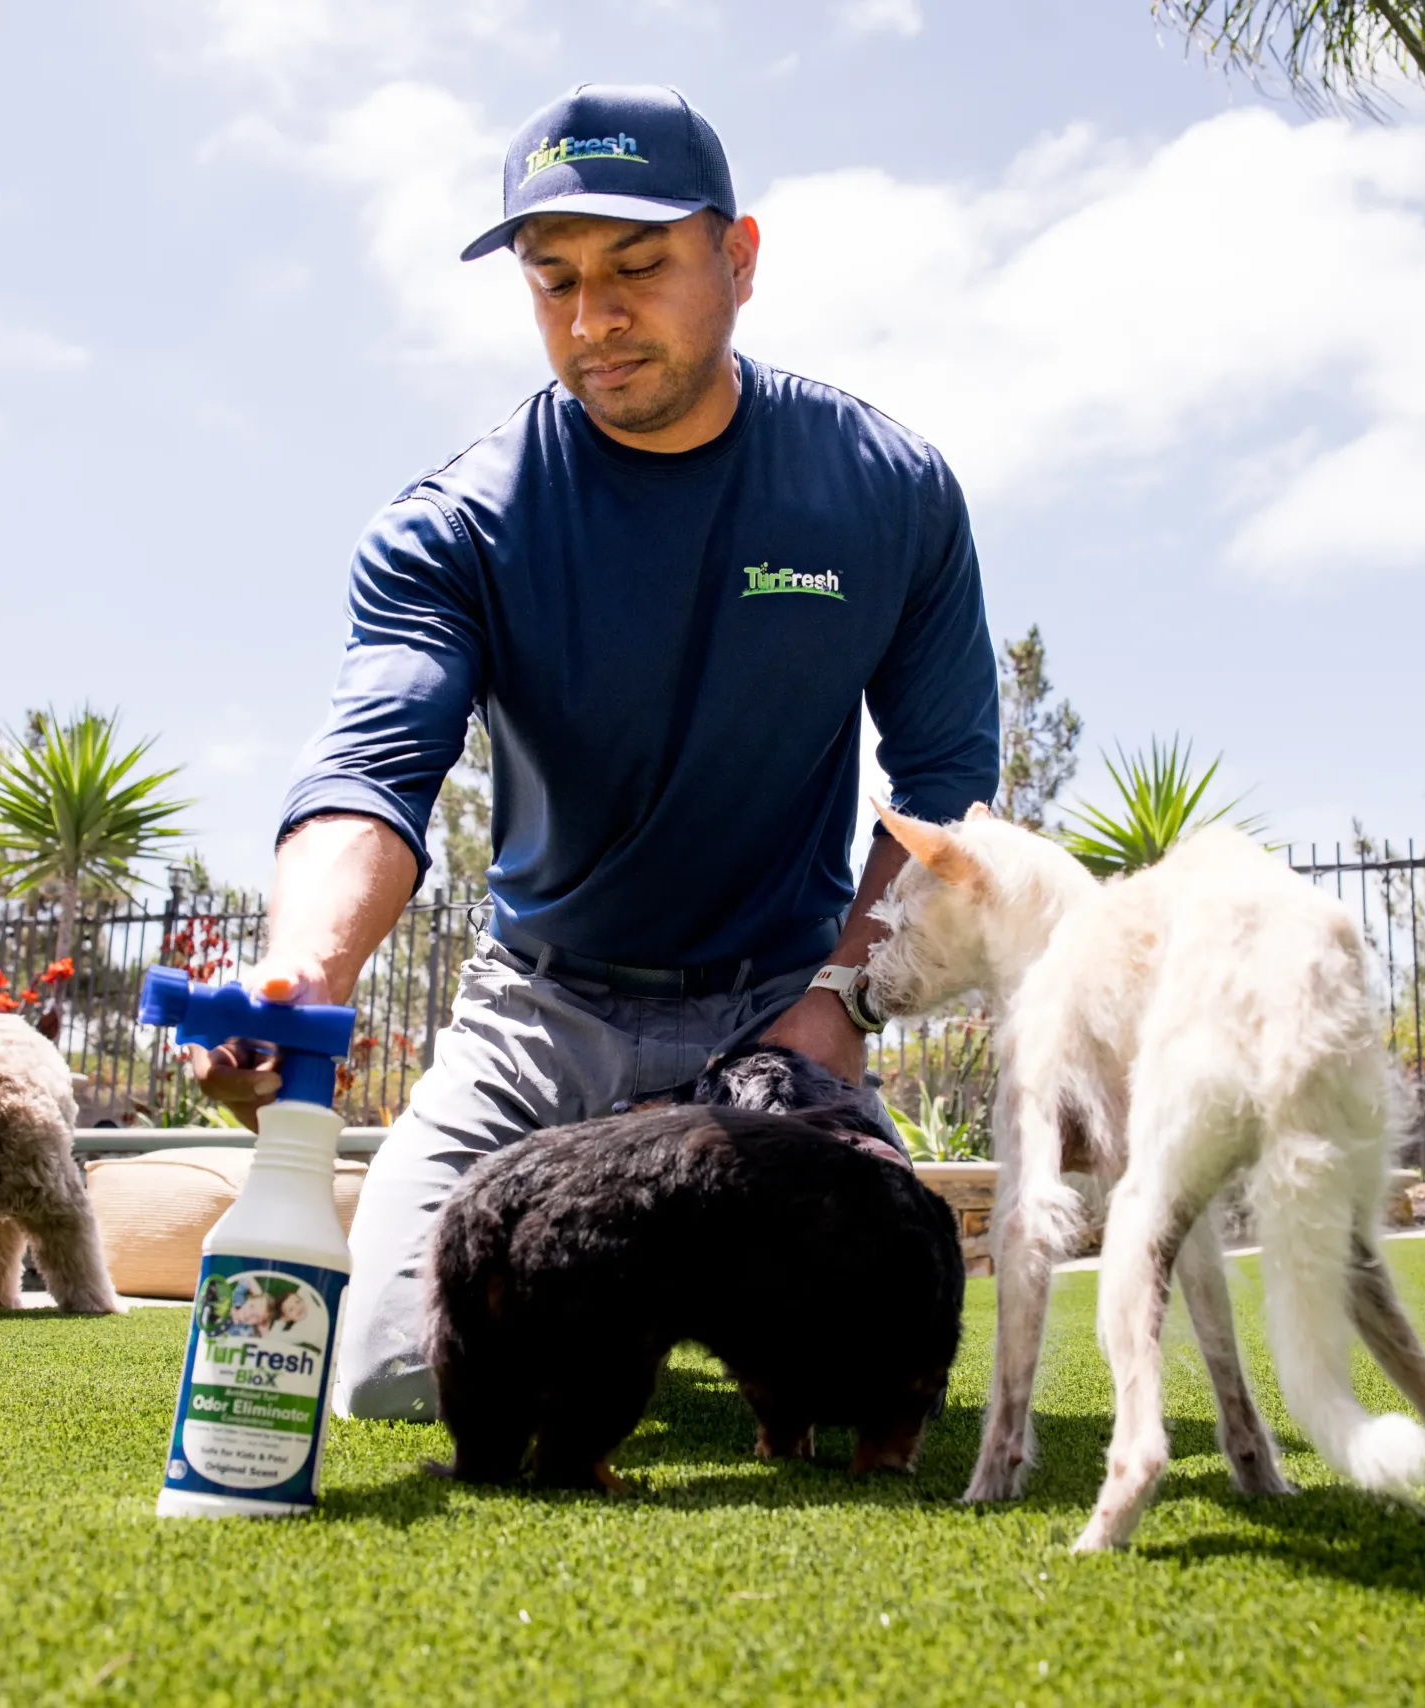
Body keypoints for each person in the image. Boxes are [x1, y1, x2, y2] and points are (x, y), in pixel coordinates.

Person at [189, 83, 999, 1422]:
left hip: (777, 1021)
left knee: (867, 1375)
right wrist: (307, 974)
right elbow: (372, 770)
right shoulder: (456, 524)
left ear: (737, 259)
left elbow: (944, 792)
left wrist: (840, 1007)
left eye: (638, 268)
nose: (592, 317)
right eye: (552, 279)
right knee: (394, 1378)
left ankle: (681, 1302)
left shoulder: (887, 491)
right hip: (540, 1016)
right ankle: (640, 1310)